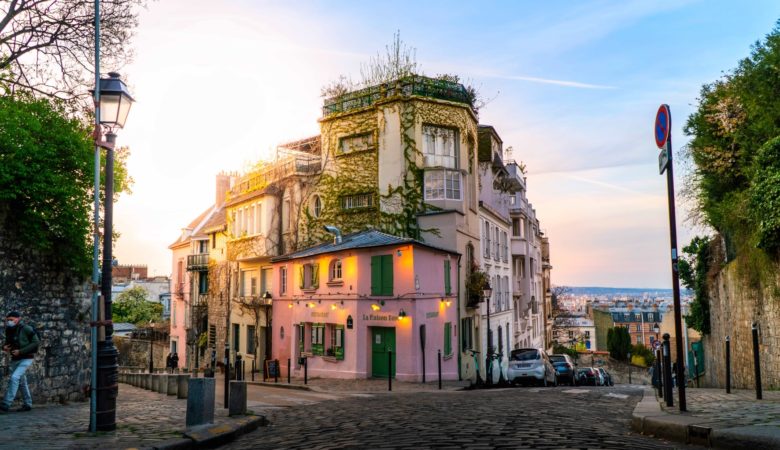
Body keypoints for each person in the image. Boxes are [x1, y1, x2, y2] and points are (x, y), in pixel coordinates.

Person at [1, 311, 39, 413]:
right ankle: (28, 404)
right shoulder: (9, 329)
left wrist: (21, 351)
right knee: (22, 382)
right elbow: (8, 343)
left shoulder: (26, 328)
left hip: (27, 358)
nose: (9, 322)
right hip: (15, 359)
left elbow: (36, 342)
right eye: (8, 320)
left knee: (14, 378)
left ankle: (6, 404)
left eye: (11, 320)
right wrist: (4, 347)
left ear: (18, 319)